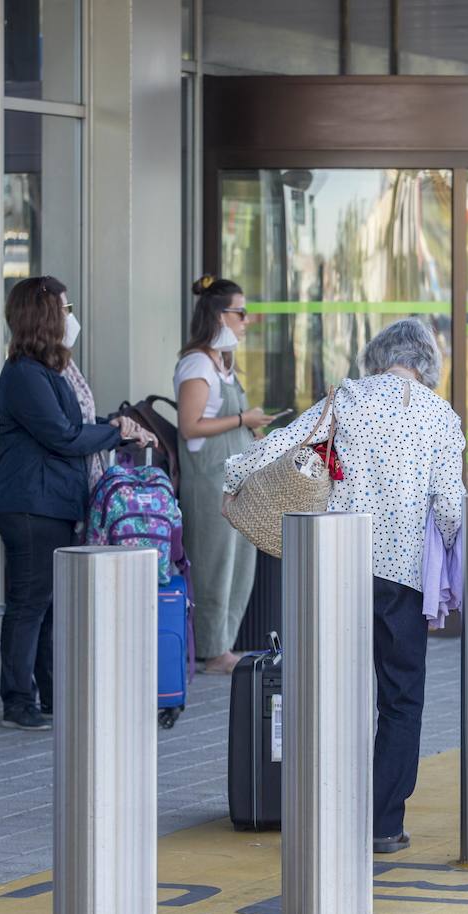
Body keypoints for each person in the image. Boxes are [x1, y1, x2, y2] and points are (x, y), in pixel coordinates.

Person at [223, 318, 465, 855]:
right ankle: (382, 823)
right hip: (403, 579)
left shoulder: (349, 398)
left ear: (377, 357)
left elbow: (285, 444)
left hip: (338, 566)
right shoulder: (441, 417)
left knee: (331, 689)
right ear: (428, 364)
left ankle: (325, 809)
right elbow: (451, 510)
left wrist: (233, 481)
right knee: (401, 698)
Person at [0, 277, 153, 731]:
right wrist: (117, 432)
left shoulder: (48, 371)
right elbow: (62, 435)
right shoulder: (24, 374)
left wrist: (117, 426)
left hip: (53, 503)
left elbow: (75, 424)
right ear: (45, 315)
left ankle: (47, 693)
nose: (70, 317)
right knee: (29, 603)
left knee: (48, 604)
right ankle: (18, 698)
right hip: (31, 505)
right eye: (64, 308)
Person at [175, 276, 272, 674]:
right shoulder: (198, 363)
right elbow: (190, 425)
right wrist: (240, 419)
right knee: (214, 564)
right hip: (210, 479)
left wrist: (253, 428)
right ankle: (210, 650)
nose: (246, 322)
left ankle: (223, 644)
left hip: (234, 480)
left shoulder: (225, 364)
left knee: (238, 564)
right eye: (241, 313)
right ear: (219, 316)